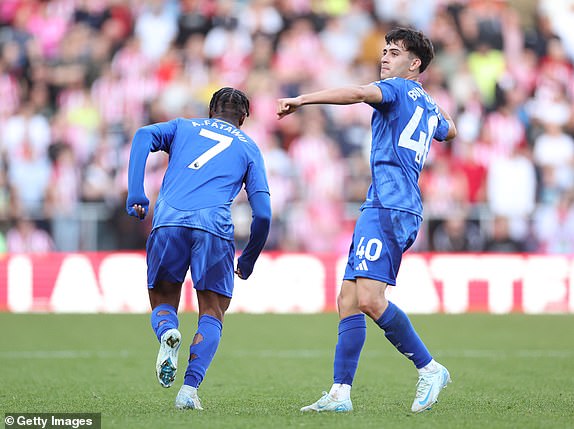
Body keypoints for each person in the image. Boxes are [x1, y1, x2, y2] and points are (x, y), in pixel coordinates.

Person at [277, 27, 457, 414]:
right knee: (348, 299)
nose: (384, 58)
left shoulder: (393, 88)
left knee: (371, 300)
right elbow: (450, 130)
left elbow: (359, 93)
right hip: (384, 204)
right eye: (385, 51)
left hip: (389, 206)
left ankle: (429, 368)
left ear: (414, 64)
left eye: (394, 53)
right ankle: (340, 393)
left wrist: (303, 99)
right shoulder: (423, 100)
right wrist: (426, 97)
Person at [126, 87, 271, 410]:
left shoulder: (183, 126)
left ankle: (167, 332)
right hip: (214, 228)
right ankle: (189, 390)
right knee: (212, 311)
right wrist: (247, 260)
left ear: (210, 111)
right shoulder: (249, 148)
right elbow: (263, 214)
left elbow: (141, 136)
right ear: (243, 118)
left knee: (163, 299)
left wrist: (136, 192)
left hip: (168, 221)